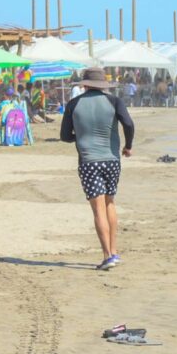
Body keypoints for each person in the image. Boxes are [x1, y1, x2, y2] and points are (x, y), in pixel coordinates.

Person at [59, 68, 134, 271]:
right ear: (104, 85)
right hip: (111, 160)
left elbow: (65, 136)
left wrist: (83, 135)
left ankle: (107, 255)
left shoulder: (74, 104)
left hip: (88, 161)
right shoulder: (114, 101)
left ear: (84, 84)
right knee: (110, 203)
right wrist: (128, 146)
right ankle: (114, 251)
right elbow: (128, 123)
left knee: (98, 208)